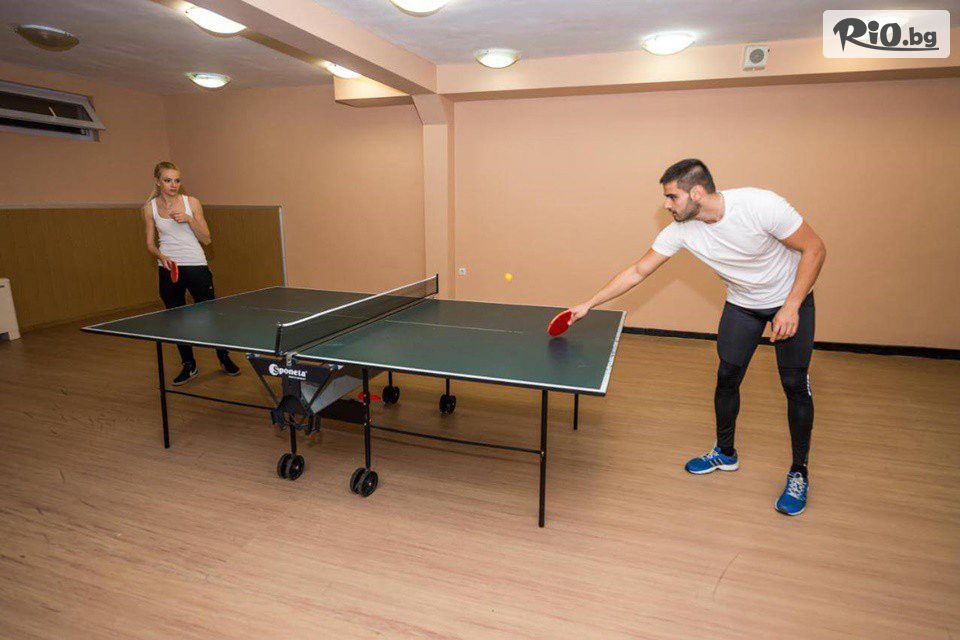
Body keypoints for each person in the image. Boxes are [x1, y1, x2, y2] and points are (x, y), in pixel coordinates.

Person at [568, 159, 826, 515]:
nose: (666, 204)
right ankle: (725, 452)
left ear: (697, 193)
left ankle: (799, 472)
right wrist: (589, 303)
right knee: (727, 376)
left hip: (791, 299)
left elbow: (815, 249)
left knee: (794, 384)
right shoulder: (681, 231)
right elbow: (638, 270)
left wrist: (792, 305)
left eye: (672, 196)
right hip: (743, 304)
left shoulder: (760, 205)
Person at [143, 161, 240, 385]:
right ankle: (189, 364)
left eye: (177, 180)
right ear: (158, 182)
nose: (173, 185)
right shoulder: (149, 208)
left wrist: (189, 219)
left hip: (196, 265)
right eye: (168, 180)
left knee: (210, 316)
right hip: (169, 268)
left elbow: (207, 238)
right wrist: (161, 256)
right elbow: (149, 244)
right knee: (176, 320)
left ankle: (223, 357)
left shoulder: (192, 203)